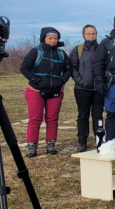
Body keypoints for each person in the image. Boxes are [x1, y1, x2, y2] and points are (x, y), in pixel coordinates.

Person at [20, 27, 71, 157]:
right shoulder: (35, 52)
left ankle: (51, 144)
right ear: (44, 39)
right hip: (35, 90)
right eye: (50, 38)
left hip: (55, 90)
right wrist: (35, 79)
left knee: (52, 118)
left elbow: (68, 69)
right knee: (35, 119)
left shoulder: (61, 54)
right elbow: (24, 68)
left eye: (55, 38)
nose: (53, 40)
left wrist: (62, 81)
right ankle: (32, 146)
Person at [70, 24, 103, 153]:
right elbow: (73, 68)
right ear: (83, 35)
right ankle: (82, 141)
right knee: (83, 115)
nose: (91, 36)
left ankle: (99, 140)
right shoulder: (77, 49)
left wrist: (102, 82)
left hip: (98, 89)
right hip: (82, 89)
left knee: (98, 116)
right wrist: (80, 81)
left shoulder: (102, 48)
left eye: (93, 33)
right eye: (89, 33)